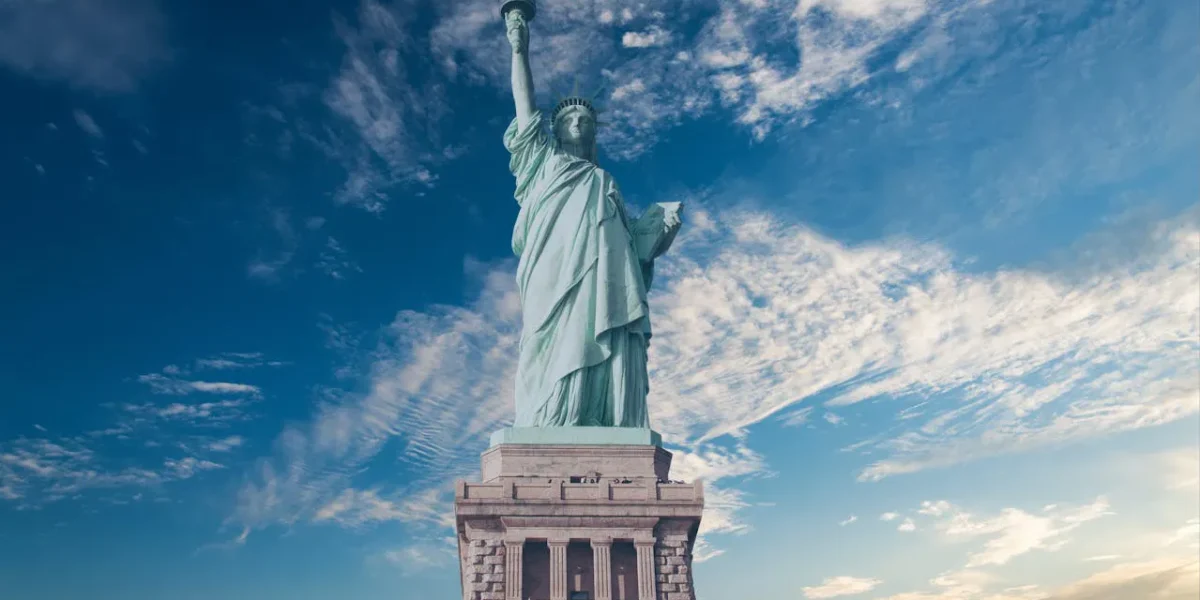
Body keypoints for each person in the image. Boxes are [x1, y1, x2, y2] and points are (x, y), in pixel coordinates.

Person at [503, 6, 682, 429]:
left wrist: (657, 235)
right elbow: (525, 108)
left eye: (586, 119)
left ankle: (599, 415)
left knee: (604, 331)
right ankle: (549, 419)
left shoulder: (606, 181)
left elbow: (631, 251)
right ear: (558, 129)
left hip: (602, 279)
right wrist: (519, 49)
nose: (579, 123)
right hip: (552, 270)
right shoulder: (542, 162)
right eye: (570, 119)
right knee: (547, 340)